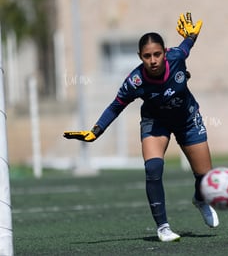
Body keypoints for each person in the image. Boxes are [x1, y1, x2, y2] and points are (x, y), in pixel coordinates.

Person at [63, 13, 219, 242]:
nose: (153, 60)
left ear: (165, 52)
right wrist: (95, 131)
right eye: (147, 56)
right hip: (156, 122)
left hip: (187, 117)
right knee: (153, 169)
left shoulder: (176, 57)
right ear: (140, 57)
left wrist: (192, 35)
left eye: (157, 54)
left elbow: (188, 44)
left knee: (205, 177)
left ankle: (200, 199)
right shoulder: (135, 81)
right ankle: (163, 227)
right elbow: (115, 106)